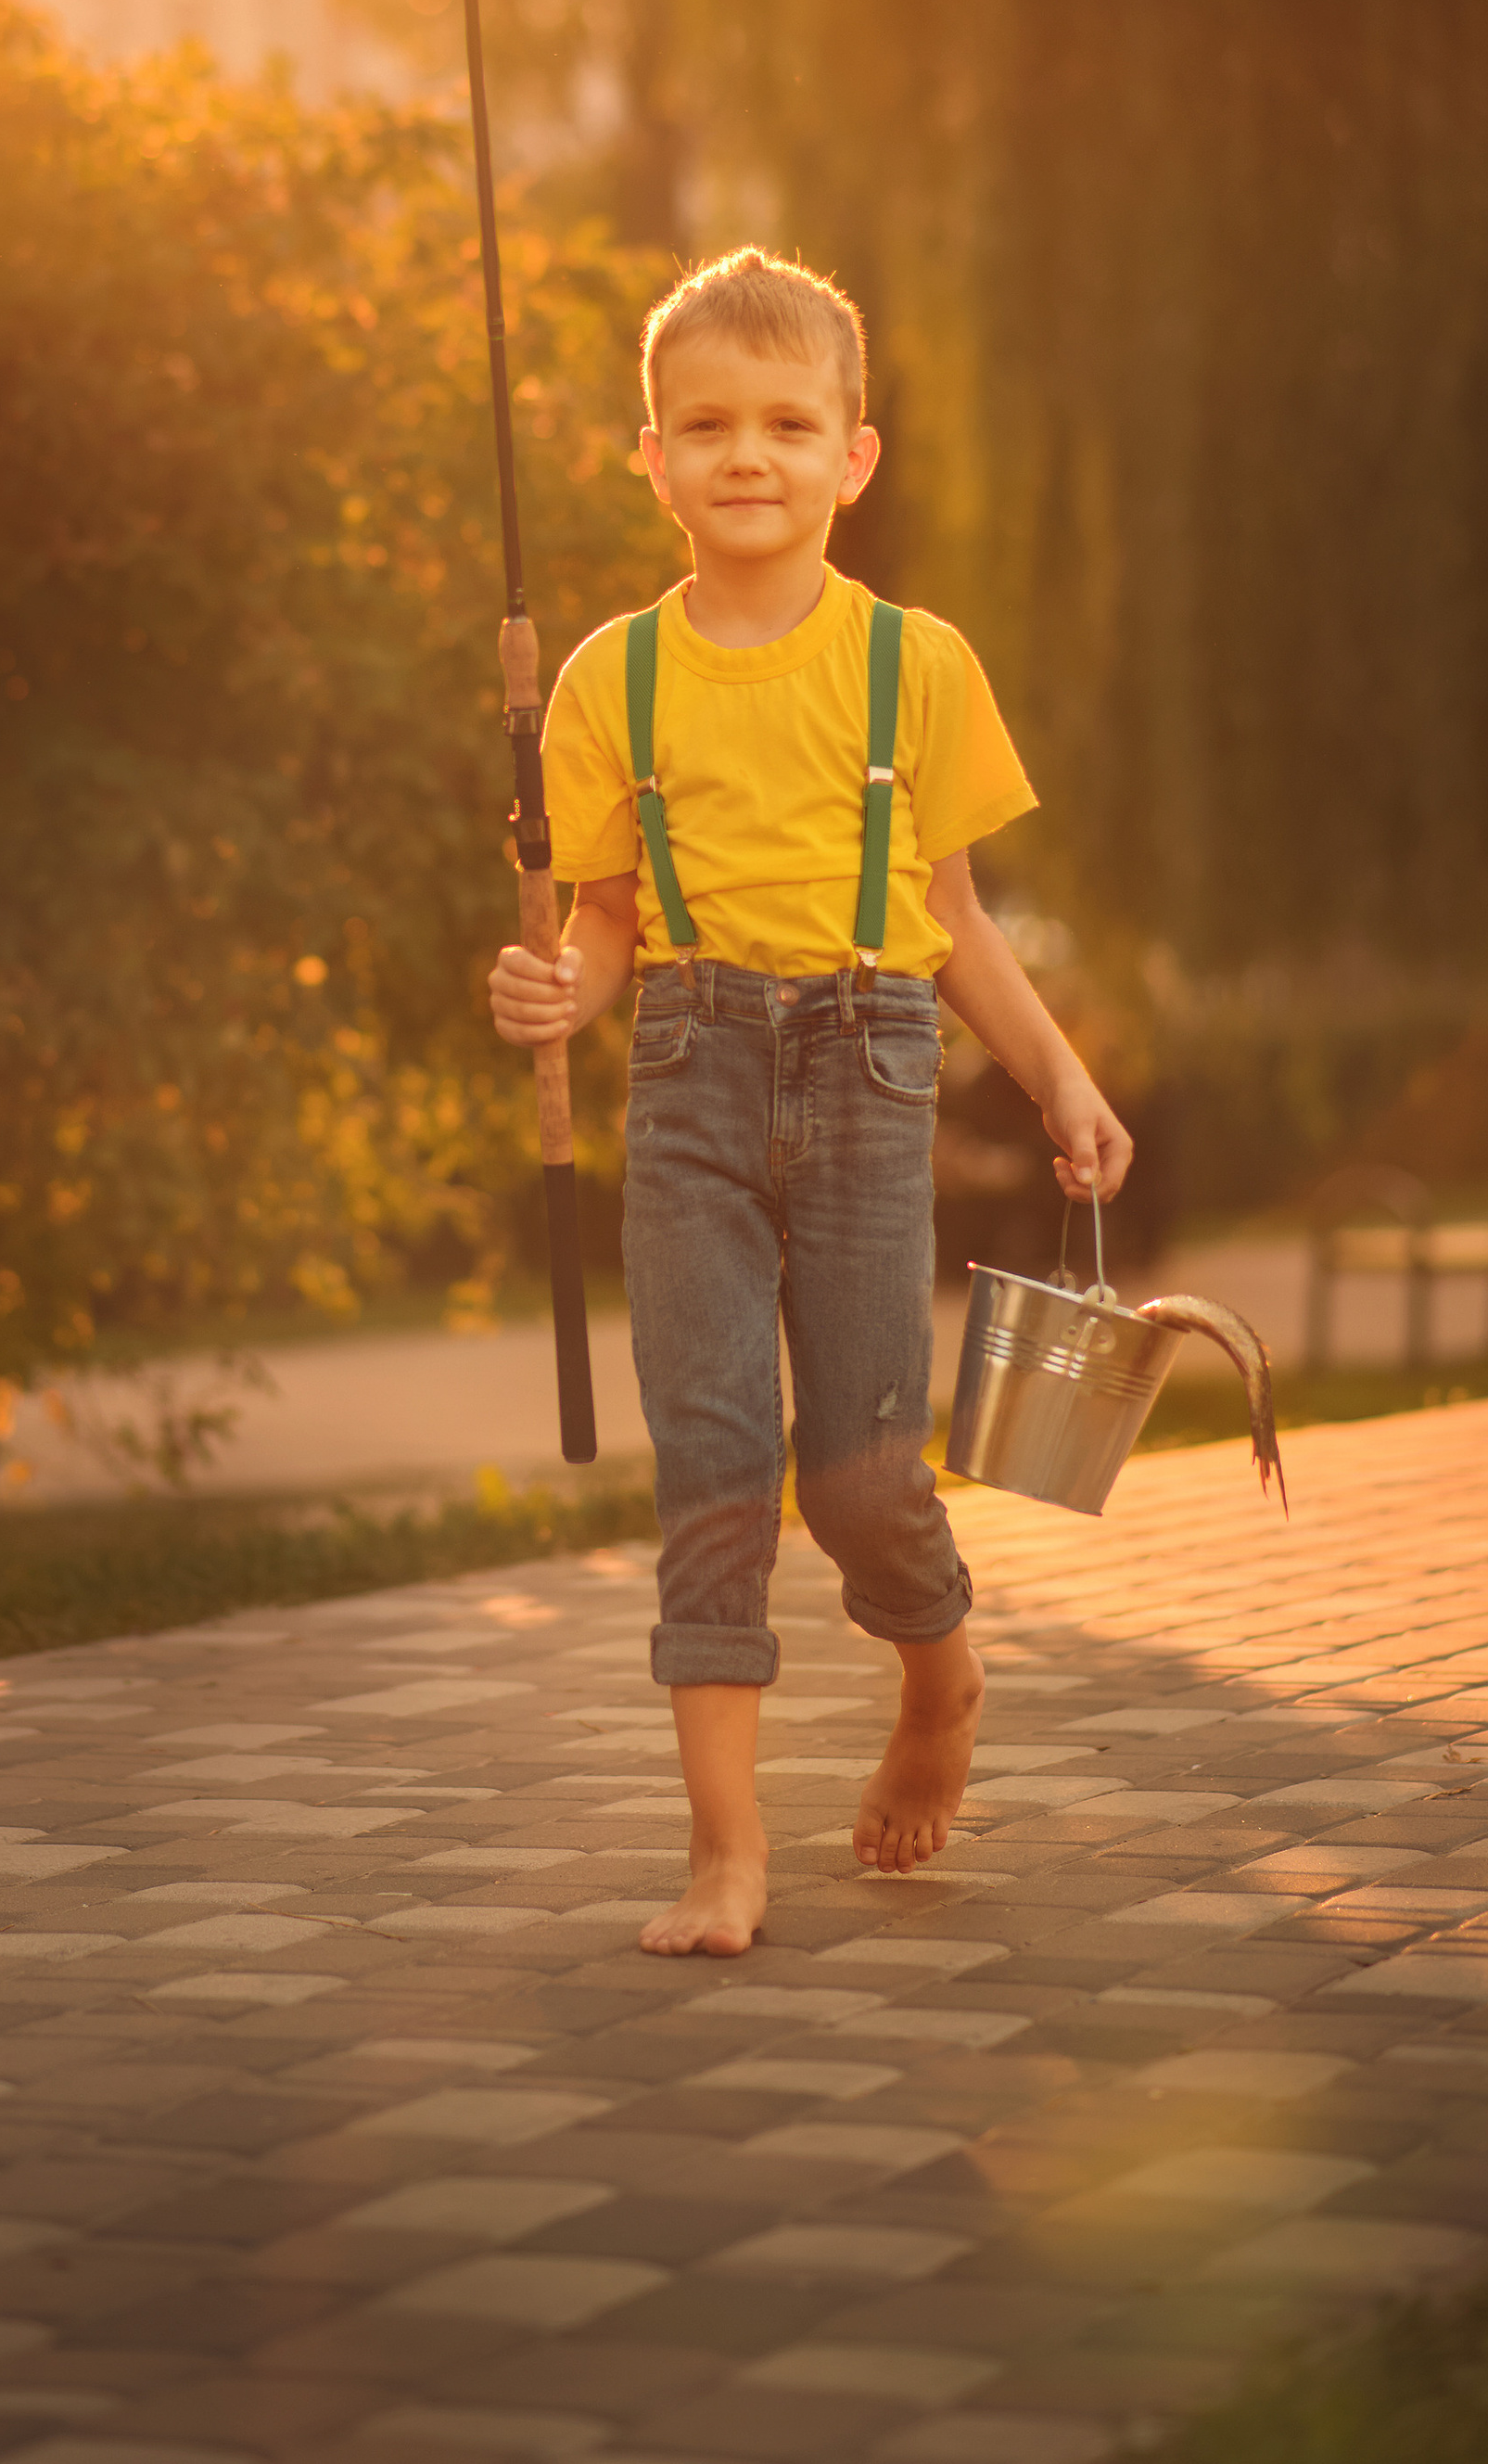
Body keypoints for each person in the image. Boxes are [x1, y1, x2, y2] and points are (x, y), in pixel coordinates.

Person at [488, 249, 1132, 1959]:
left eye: (788, 422)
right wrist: (560, 987)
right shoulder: (605, 683)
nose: (747, 455)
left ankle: (939, 1666)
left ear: (857, 453)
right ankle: (725, 1848)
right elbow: (608, 920)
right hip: (689, 1081)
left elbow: (958, 916)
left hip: (867, 1071)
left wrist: (1057, 1073)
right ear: (652, 458)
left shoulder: (918, 666)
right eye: (707, 425)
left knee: (854, 1475)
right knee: (714, 1461)